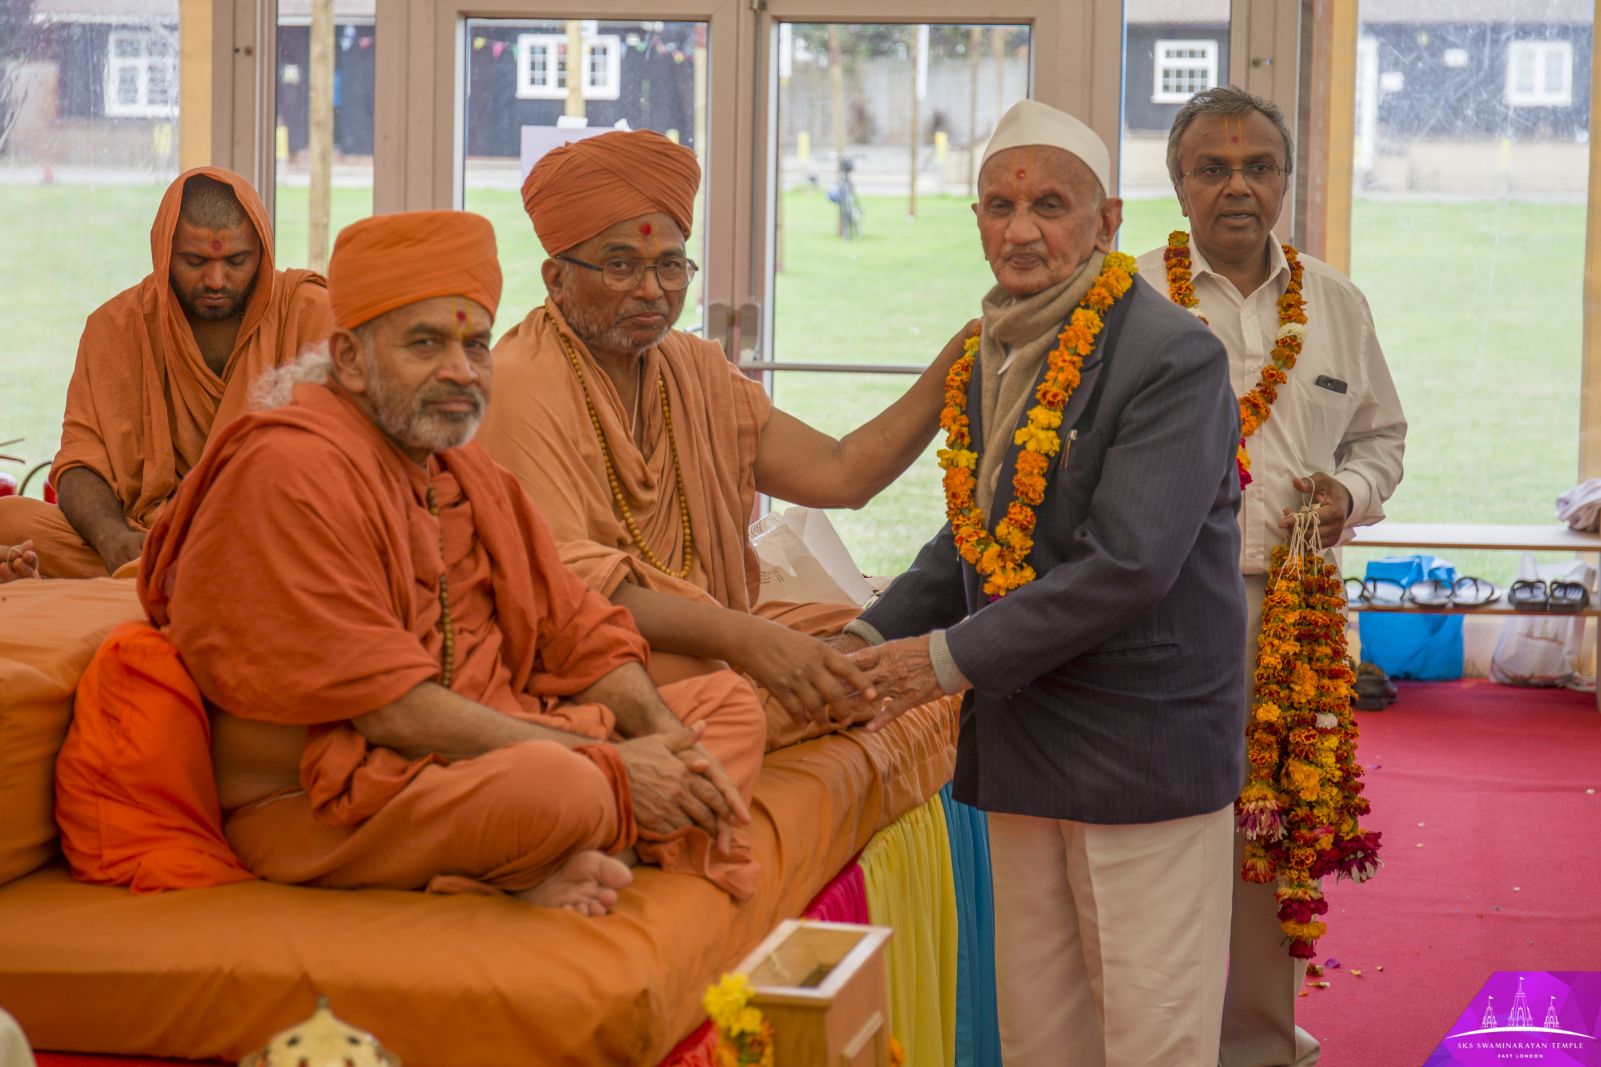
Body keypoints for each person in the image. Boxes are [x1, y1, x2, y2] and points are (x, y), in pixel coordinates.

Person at [136, 210, 767, 911]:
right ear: (348, 358)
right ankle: (587, 835)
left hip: (489, 740)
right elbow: (392, 712)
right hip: (330, 800)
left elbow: (577, 626)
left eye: (476, 345)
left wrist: (665, 739)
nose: (460, 372)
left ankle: (574, 846)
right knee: (566, 789)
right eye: (426, 343)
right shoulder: (290, 468)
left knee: (726, 704)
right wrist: (613, 764)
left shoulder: (457, 463)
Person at [842, 99, 1246, 1065]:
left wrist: (936, 662)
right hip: (1028, 748)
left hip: (1136, 747)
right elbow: (974, 537)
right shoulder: (998, 339)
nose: (1019, 229)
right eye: (996, 205)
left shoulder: (1173, 355)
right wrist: (861, 643)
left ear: (1107, 221)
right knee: (1040, 1034)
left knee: (1148, 1035)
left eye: (1049, 205)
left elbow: (1128, 563)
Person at [478, 128, 970, 748]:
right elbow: (572, 593)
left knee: (867, 641)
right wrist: (750, 641)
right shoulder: (521, 383)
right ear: (556, 278)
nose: (653, 290)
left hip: (702, 632)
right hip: (586, 642)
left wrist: (957, 363)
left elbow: (841, 473)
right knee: (734, 685)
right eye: (621, 264)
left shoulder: (689, 370)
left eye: (670, 265)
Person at [1135, 85, 1406, 1067]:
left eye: (1257, 167)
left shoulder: (1332, 302)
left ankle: (1253, 1044)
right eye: (1211, 167)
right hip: (1156, 608)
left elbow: (1382, 435)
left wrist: (1345, 493)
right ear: (1177, 183)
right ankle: (1152, 1040)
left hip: (1293, 611)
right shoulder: (1128, 297)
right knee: (1161, 832)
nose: (1236, 186)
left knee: (1272, 831)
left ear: (1286, 181)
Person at [0, 167, 333, 579]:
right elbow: (79, 462)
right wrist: (111, 538)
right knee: (10, 520)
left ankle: (162, 579)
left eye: (236, 261)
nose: (215, 280)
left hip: (269, 539)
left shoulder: (310, 313)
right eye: (194, 261)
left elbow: (347, 461)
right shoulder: (116, 326)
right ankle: (156, 573)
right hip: (153, 540)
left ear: (262, 252)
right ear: (164, 252)